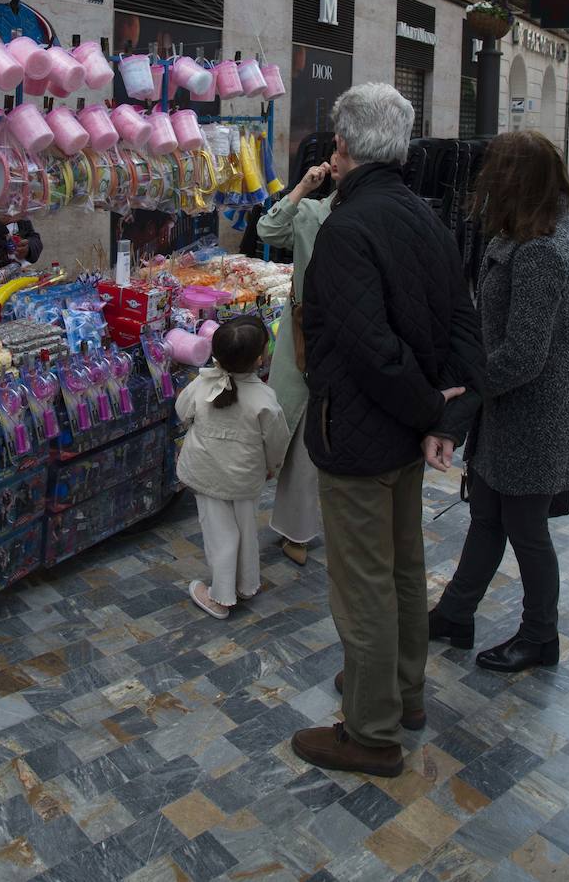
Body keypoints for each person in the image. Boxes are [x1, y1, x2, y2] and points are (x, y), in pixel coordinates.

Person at [290, 83, 485, 778]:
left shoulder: (348, 228)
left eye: (334, 144)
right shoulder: (423, 217)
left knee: (365, 584)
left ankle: (370, 732)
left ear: (342, 147)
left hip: (361, 435)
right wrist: (440, 418)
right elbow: (464, 328)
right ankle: (400, 694)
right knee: (402, 570)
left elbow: (370, 350)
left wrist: (433, 412)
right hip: (402, 435)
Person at [429, 131, 569, 673]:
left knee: (525, 528)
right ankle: (455, 612)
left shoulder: (543, 249)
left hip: (537, 414)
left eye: (496, 174)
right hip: (514, 410)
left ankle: (541, 636)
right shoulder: (530, 233)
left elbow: (523, 355)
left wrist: (464, 395)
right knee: (488, 513)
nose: (485, 184)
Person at [256, 147, 346, 565]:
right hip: (305, 337)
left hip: (330, 338)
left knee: (319, 433)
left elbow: (268, 229)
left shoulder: (338, 215)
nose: (331, 159)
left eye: (339, 152)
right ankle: (299, 526)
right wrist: (302, 188)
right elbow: (268, 229)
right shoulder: (311, 213)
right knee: (300, 430)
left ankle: (305, 525)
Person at [176, 316, 291, 619]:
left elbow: (182, 411)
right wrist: (272, 467)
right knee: (245, 529)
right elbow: (278, 441)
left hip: (206, 473)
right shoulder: (264, 398)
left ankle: (221, 597)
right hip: (245, 476)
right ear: (259, 359)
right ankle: (245, 584)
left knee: (220, 534)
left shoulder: (203, 383)